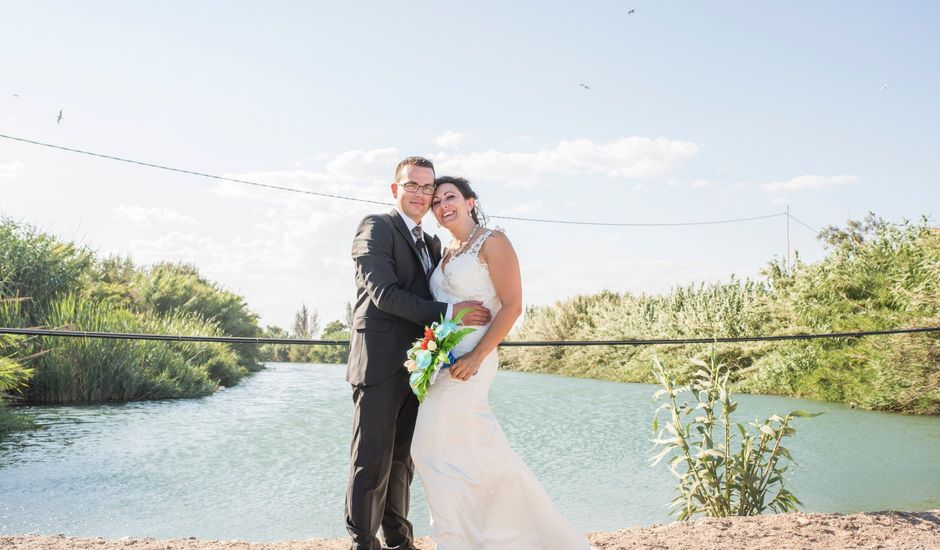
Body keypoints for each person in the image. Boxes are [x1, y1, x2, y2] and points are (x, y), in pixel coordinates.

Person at [411, 176, 592, 549]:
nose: (443, 205)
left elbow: (513, 306)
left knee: (429, 450)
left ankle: (466, 539)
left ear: (471, 201)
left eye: (451, 197)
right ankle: (473, 537)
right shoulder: (446, 250)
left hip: (473, 363)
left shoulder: (493, 241)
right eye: (437, 201)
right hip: (444, 362)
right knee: (459, 453)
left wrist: (478, 356)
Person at [345, 157, 492, 550]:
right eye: (412, 185)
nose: (421, 193)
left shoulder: (431, 243)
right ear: (396, 190)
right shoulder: (376, 227)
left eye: (427, 188)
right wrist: (450, 313)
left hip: (418, 367)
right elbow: (385, 295)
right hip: (377, 363)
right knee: (371, 460)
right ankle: (363, 543)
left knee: (402, 463)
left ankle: (399, 541)